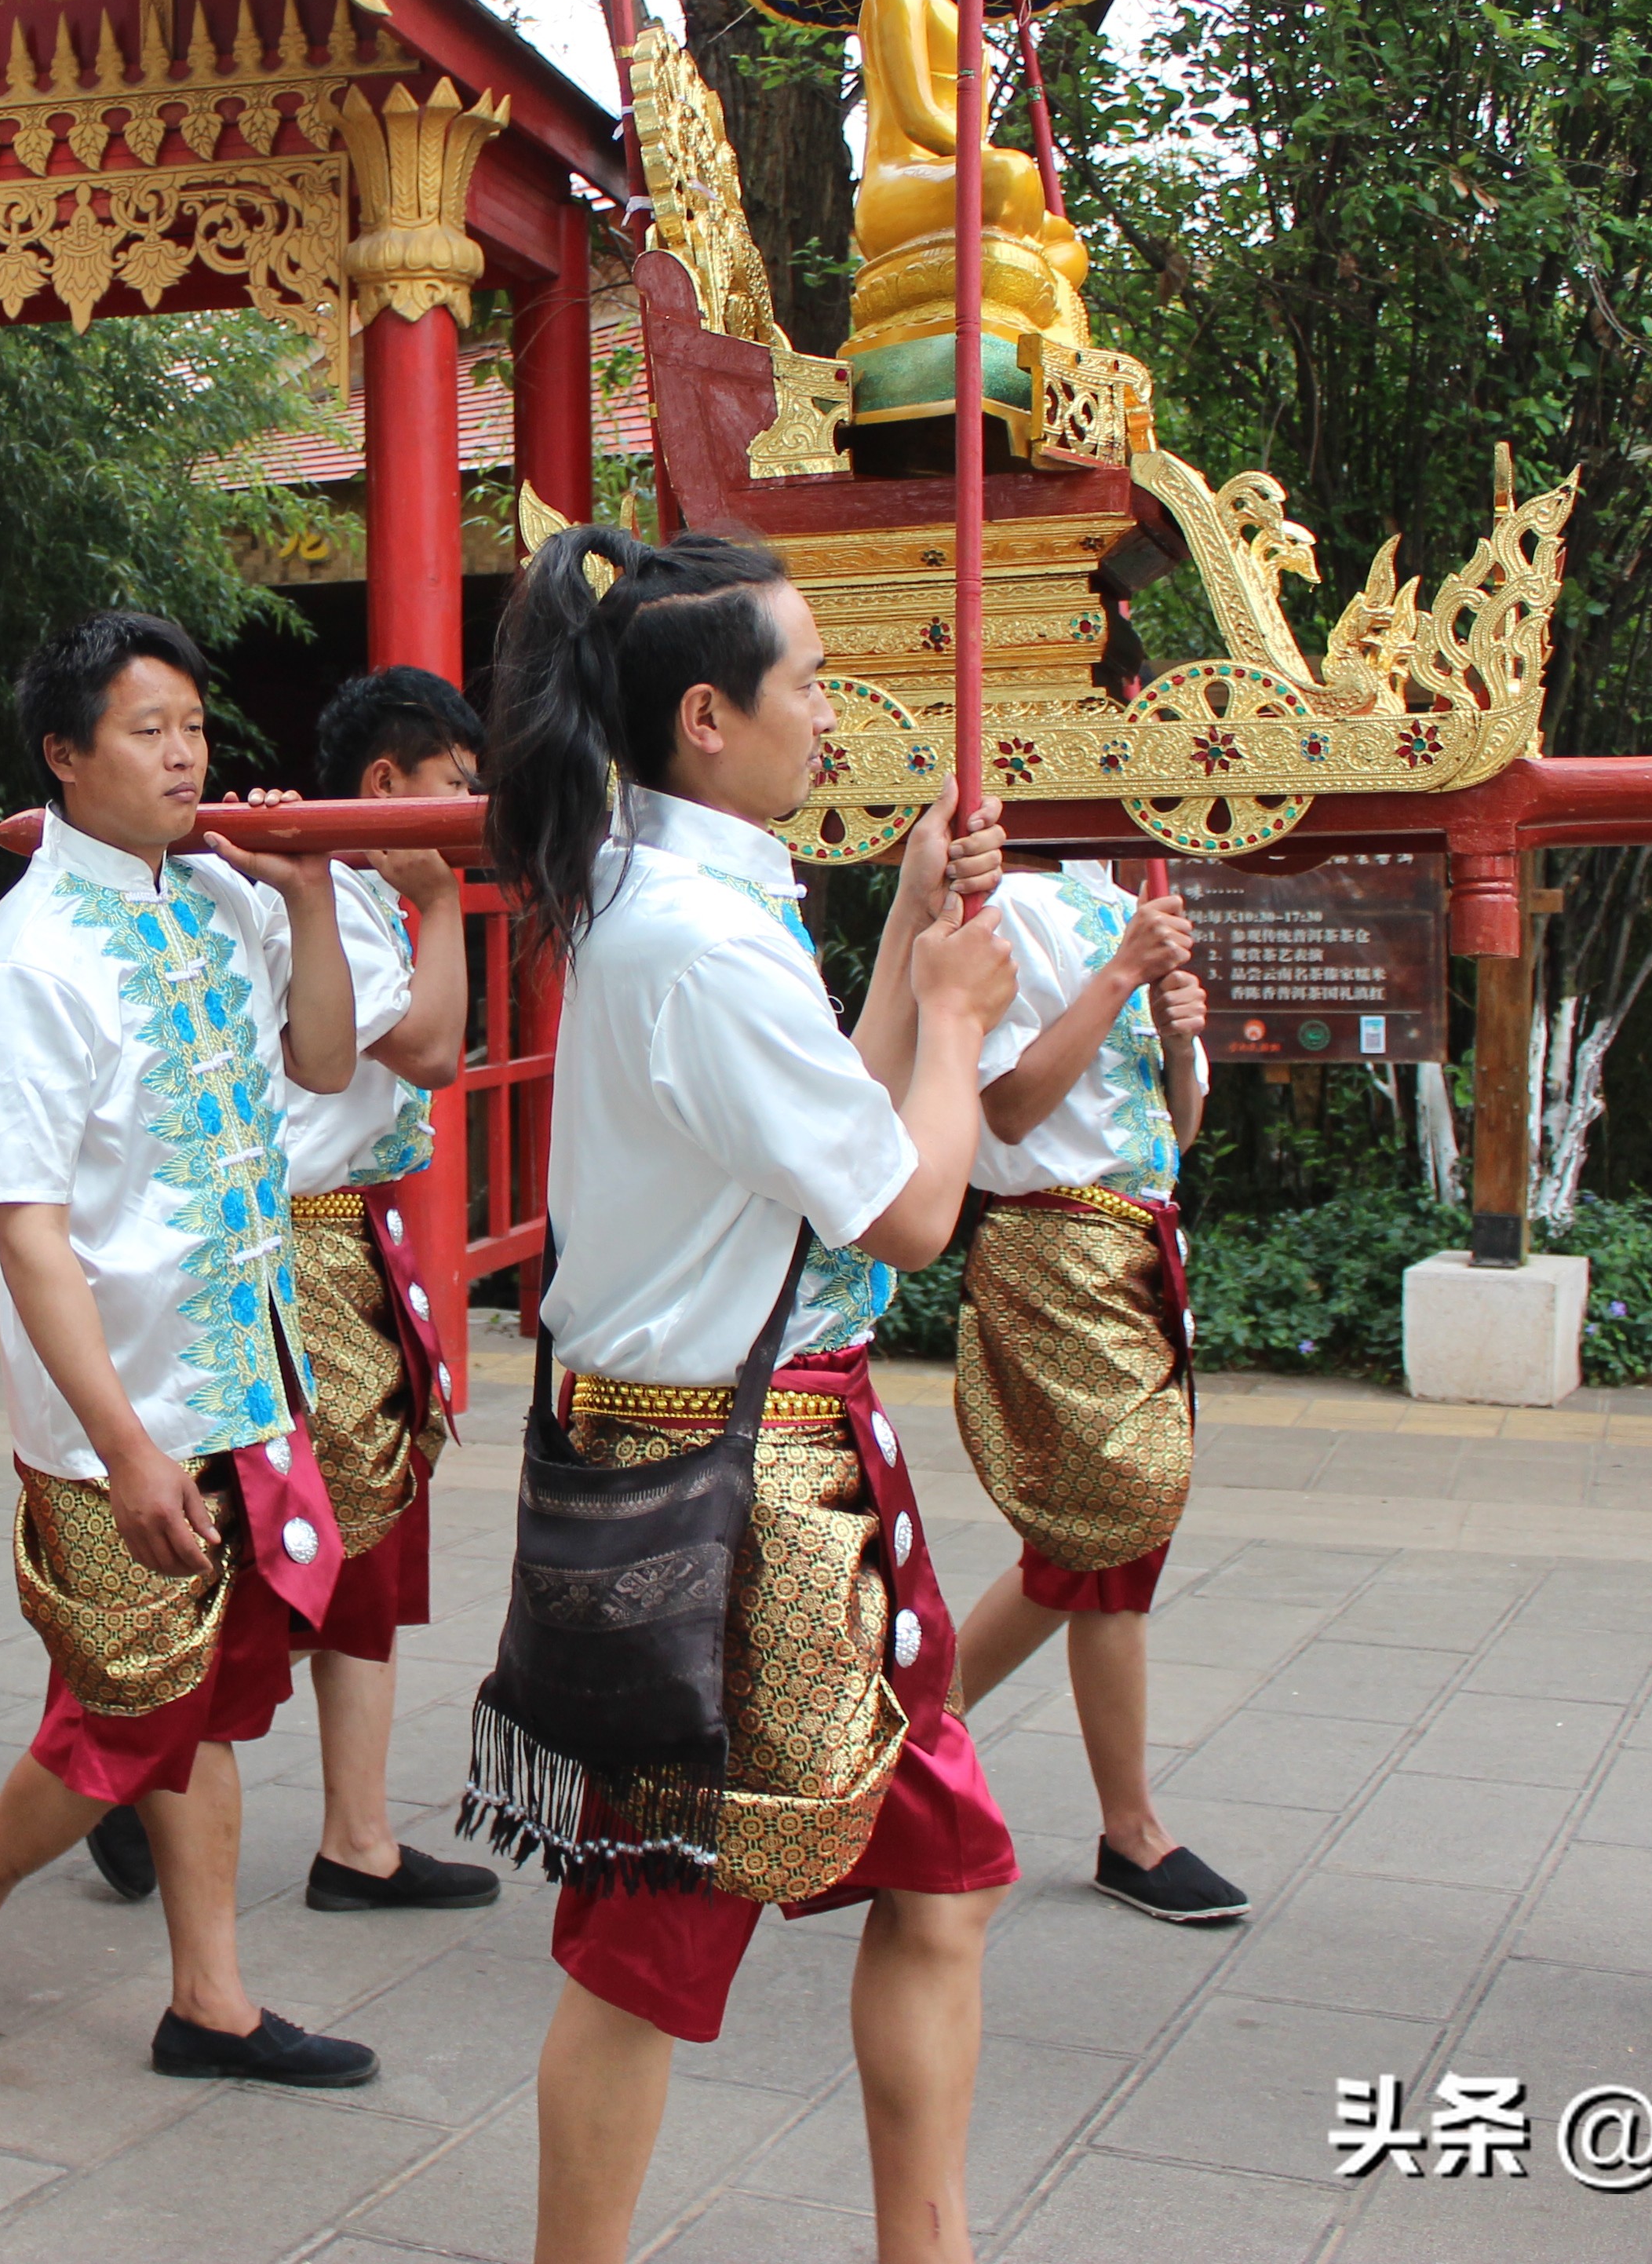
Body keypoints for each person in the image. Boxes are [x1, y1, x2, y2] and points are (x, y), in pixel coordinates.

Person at [476, 528, 1016, 2264]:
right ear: (708, 716)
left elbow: (812, 1148)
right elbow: (909, 1211)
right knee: (657, 1934)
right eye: (806, 689)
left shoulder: (670, 898)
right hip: (746, 1491)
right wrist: (949, 1018)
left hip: (722, 1458)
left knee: (931, 1865)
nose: (829, 726)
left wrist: (909, 940)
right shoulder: (696, 937)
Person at [0, 609, 372, 2091]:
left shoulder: (215, 903)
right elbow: (29, 1234)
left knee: (208, 1691)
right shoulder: (21, 964)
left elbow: (322, 1063)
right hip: (120, 1413)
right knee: (129, 1707)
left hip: (245, 1371)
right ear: (62, 756)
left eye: (191, 725)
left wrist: (301, 901)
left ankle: (208, 1998)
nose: (186, 753)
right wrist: (119, 1443)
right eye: (147, 728)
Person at [939, 855, 1236, 1926]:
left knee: (1106, 1542)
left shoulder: (1130, 908)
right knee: (1109, 1526)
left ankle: (915, 1728)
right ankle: (1129, 1830)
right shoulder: (1006, 903)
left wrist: (1178, 1035)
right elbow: (1010, 1108)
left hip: (1139, 1242)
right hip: (1058, 1246)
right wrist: (1117, 977)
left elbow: (1182, 1129)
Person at [249, 666, 498, 1914]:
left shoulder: (338, 896)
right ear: (387, 787)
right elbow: (438, 1050)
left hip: (338, 1239)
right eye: (457, 789)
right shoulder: (340, 905)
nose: (472, 810)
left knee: (368, 1536)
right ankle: (139, 1759)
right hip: (294, 1246)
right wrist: (444, 906)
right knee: (295, 1530)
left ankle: (356, 1833)